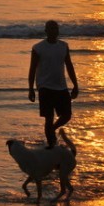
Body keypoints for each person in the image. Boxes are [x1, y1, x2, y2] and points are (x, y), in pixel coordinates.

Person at [28, 20, 79, 148]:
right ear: (46, 31)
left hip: (61, 87)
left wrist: (75, 85)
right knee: (48, 117)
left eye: (55, 29)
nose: (53, 31)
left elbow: (69, 66)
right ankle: (51, 145)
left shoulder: (63, 46)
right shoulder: (38, 48)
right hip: (45, 87)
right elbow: (32, 69)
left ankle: (53, 129)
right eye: (50, 29)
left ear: (58, 31)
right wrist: (31, 89)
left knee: (66, 115)